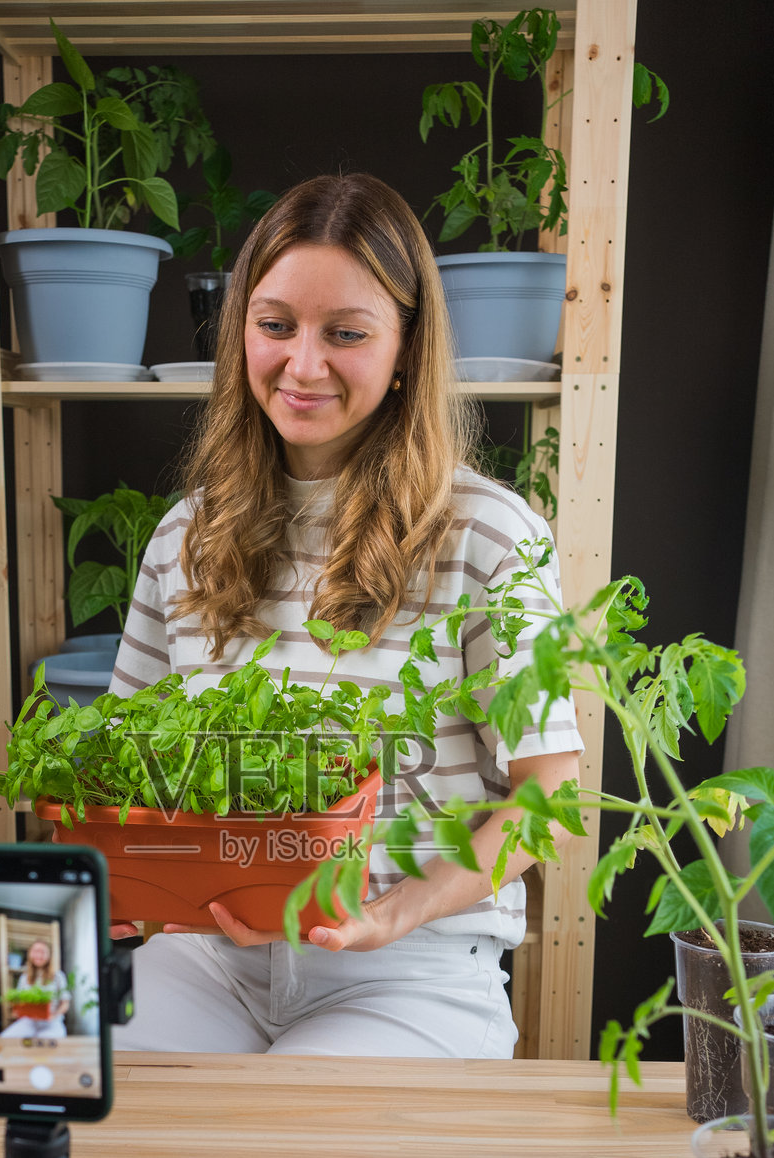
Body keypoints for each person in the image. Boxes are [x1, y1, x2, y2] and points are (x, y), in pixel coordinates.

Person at [107, 172, 582, 1058]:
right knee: (104, 1132)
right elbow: (132, 772)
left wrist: (389, 912)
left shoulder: (488, 536)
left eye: (347, 334)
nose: (302, 363)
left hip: (410, 970)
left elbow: (547, 798)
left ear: (406, 348)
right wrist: (134, 892)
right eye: (275, 325)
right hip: (207, 958)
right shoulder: (187, 535)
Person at [0, 938, 71, 1045]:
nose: (39, 955)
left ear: (49, 956)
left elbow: (65, 1004)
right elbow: (20, 1001)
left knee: (44, 1046)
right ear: (30, 954)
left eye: (42, 952)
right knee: (5, 1040)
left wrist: (54, 1015)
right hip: (28, 1022)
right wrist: (17, 1010)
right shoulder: (25, 977)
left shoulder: (58, 976)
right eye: (35, 951)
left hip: (52, 1023)